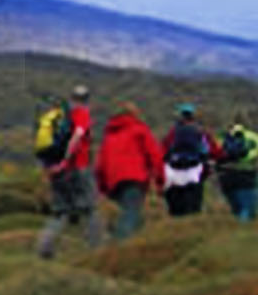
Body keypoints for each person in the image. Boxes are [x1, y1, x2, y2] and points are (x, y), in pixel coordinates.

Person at [34, 87, 107, 259]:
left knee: (60, 212)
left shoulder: (58, 116)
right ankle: (98, 252)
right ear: (87, 100)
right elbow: (78, 136)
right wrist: (66, 160)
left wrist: (54, 166)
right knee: (89, 209)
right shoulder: (81, 114)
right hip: (76, 168)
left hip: (56, 172)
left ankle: (44, 248)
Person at [96, 102, 165, 241]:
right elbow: (155, 155)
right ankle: (120, 251)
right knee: (130, 214)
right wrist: (160, 180)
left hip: (113, 183)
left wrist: (102, 188)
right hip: (135, 178)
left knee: (130, 214)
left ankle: (129, 247)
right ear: (134, 114)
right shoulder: (140, 130)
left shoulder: (109, 135)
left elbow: (100, 166)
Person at [160, 104, 223, 218]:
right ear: (193, 117)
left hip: (175, 171)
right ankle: (193, 226)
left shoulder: (173, 133)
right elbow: (214, 151)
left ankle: (175, 228)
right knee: (194, 204)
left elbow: (162, 151)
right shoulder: (201, 132)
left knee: (176, 206)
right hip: (195, 171)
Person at [216, 114, 258, 222]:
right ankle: (243, 230)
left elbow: (215, 154)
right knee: (248, 210)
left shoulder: (223, 138)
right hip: (246, 176)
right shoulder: (253, 137)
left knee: (236, 209)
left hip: (225, 177)